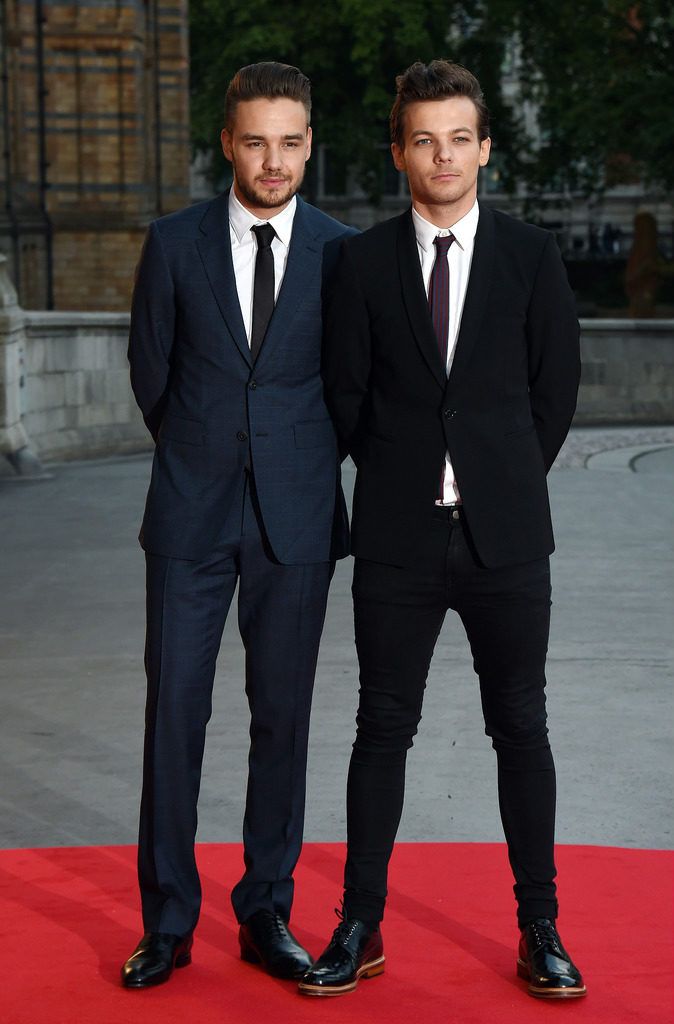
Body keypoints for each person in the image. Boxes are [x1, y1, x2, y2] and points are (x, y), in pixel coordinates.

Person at [299, 60, 586, 1000]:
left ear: (485, 148)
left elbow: (555, 393)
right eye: (424, 138)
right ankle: (360, 925)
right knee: (381, 729)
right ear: (399, 153)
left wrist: (497, 480)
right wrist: (400, 476)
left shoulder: (533, 256)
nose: (443, 154)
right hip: (397, 540)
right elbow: (346, 394)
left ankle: (540, 927)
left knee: (522, 729)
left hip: (507, 540)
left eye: (459, 137)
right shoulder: (359, 263)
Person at [121, 61, 354, 989]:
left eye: (290, 142)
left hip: (295, 522)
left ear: (308, 145)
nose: (273, 160)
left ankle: (265, 911)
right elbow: (151, 373)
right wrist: (204, 450)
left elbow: (354, 384)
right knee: (174, 714)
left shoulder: (344, 253)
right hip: (190, 515)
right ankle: (168, 922)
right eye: (255, 141)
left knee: (283, 720)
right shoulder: (174, 243)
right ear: (228, 142)